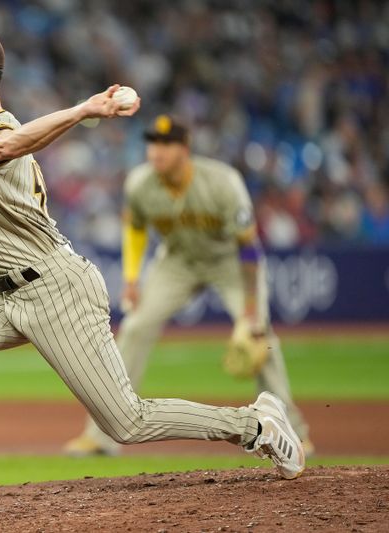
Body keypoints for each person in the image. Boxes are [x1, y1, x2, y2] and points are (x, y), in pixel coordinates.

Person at [0, 27, 305, 523]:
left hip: (55, 287)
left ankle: (256, 425)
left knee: (125, 422)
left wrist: (85, 110)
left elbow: (11, 144)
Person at [64, 116, 312, 457]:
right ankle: (101, 436)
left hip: (229, 262)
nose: (156, 151)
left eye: (165, 144)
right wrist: (133, 279)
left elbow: (250, 246)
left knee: (258, 332)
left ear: (184, 149)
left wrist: (252, 309)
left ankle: (293, 431)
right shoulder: (140, 183)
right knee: (135, 328)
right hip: (177, 261)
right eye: (152, 143)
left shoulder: (223, 182)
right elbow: (135, 230)